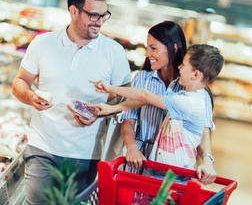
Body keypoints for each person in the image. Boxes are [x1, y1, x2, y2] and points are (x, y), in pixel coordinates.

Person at [12, 0, 132, 204]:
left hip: (86, 155)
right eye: (93, 15)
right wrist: (30, 97)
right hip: (43, 147)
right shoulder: (43, 43)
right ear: (73, 11)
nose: (99, 22)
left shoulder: (114, 52)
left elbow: (123, 96)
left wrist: (99, 112)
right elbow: (20, 81)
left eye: (103, 15)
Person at [91, 21, 217, 184]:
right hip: (138, 163)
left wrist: (207, 160)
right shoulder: (143, 78)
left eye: (153, 48)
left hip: (171, 172)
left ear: (173, 48)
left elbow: (202, 132)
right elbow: (130, 116)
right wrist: (131, 147)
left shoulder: (193, 91)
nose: (147, 54)